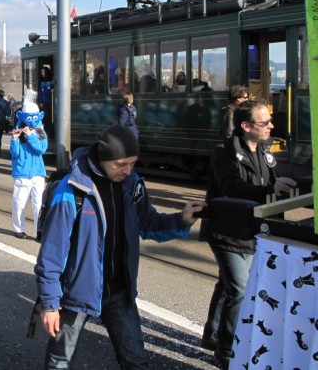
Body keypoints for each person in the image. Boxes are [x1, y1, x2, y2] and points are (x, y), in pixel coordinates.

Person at [35, 124, 205, 369]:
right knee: (60, 361)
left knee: (136, 360)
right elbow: (52, 255)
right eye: (121, 164)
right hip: (75, 293)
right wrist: (50, 304)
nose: (128, 170)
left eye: (133, 164)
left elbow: (147, 223)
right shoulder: (72, 190)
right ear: (103, 158)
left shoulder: (132, 184)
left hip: (119, 291)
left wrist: (182, 219)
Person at [201, 99, 296, 369]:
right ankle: (226, 349)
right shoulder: (224, 153)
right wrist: (270, 190)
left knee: (227, 285)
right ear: (245, 126)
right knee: (239, 290)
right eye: (264, 122)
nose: (271, 126)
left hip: (252, 230)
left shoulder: (264, 149)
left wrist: (282, 185)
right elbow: (232, 187)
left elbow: (269, 181)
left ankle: (212, 334)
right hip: (227, 231)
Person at [10, 101, 48, 239]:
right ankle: (19, 229)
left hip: (38, 173)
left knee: (39, 204)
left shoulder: (41, 133)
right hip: (22, 173)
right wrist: (15, 139)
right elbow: (14, 154)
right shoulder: (18, 132)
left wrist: (30, 136)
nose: (32, 121)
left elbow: (41, 149)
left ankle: (40, 230)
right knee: (20, 202)